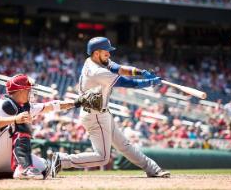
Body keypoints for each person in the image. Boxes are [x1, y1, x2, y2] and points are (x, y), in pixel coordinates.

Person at [51, 37, 170, 178]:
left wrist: (140, 72)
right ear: (96, 53)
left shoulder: (94, 60)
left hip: (102, 113)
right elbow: (126, 83)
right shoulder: (96, 71)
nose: (109, 54)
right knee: (102, 157)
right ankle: (63, 160)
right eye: (106, 52)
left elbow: (118, 68)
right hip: (94, 115)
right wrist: (149, 82)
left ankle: (153, 169)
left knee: (124, 145)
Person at [0, 74, 100, 179]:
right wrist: (15, 119)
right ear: (20, 91)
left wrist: (76, 103)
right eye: (28, 89)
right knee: (21, 121)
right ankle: (23, 168)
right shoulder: (3, 104)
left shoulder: (25, 106)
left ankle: (0, 173)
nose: (30, 92)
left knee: (44, 168)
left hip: (2, 159)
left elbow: (51, 106)